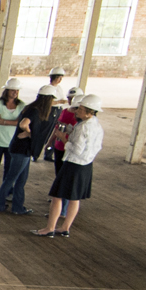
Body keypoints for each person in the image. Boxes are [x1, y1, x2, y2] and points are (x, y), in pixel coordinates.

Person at [34, 93, 103, 238]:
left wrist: (63, 138)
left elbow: (76, 149)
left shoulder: (83, 127)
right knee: (74, 198)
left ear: (89, 111)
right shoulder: (96, 125)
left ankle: (50, 227)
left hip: (73, 164)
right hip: (86, 165)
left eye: (80, 109)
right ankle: (65, 227)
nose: (77, 111)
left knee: (57, 196)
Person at [0, 85, 59, 216]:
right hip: (21, 150)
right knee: (12, 178)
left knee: (21, 179)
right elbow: (24, 124)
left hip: (22, 149)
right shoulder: (35, 111)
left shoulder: (32, 108)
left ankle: (18, 207)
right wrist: (30, 133)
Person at [0, 78, 25, 196]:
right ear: (7, 90)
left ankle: (7, 191)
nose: (15, 93)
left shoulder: (22, 105)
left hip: (11, 142)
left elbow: (22, 122)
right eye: (13, 90)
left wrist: (5, 121)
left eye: (17, 90)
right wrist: (15, 122)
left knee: (9, 167)